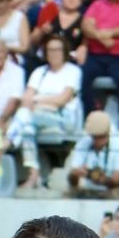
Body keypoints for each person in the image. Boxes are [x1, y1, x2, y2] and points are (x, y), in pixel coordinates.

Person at [10, 34, 83, 190]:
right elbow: (26, 99)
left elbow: (61, 100)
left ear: (64, 51)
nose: (54, 53)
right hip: (36, 117)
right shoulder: (40, 72)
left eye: (57, 49)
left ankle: (8, 140)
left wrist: (37, 99)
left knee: (24, 116)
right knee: (27, 126)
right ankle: (34, 174)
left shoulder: (72, 71)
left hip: (62, 119)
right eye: (50, 50)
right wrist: (45, 100)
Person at [66, 108, 119, 197]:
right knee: (68, 194)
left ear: (108, 133)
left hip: (114, 188)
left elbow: (117, 180)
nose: (98, 141)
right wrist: (75, 174)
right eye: (95, 137)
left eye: (101, 137)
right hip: (89, 189)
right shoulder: (83, 142)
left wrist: (104, 180)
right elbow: (72, 181)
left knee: (114, 194)